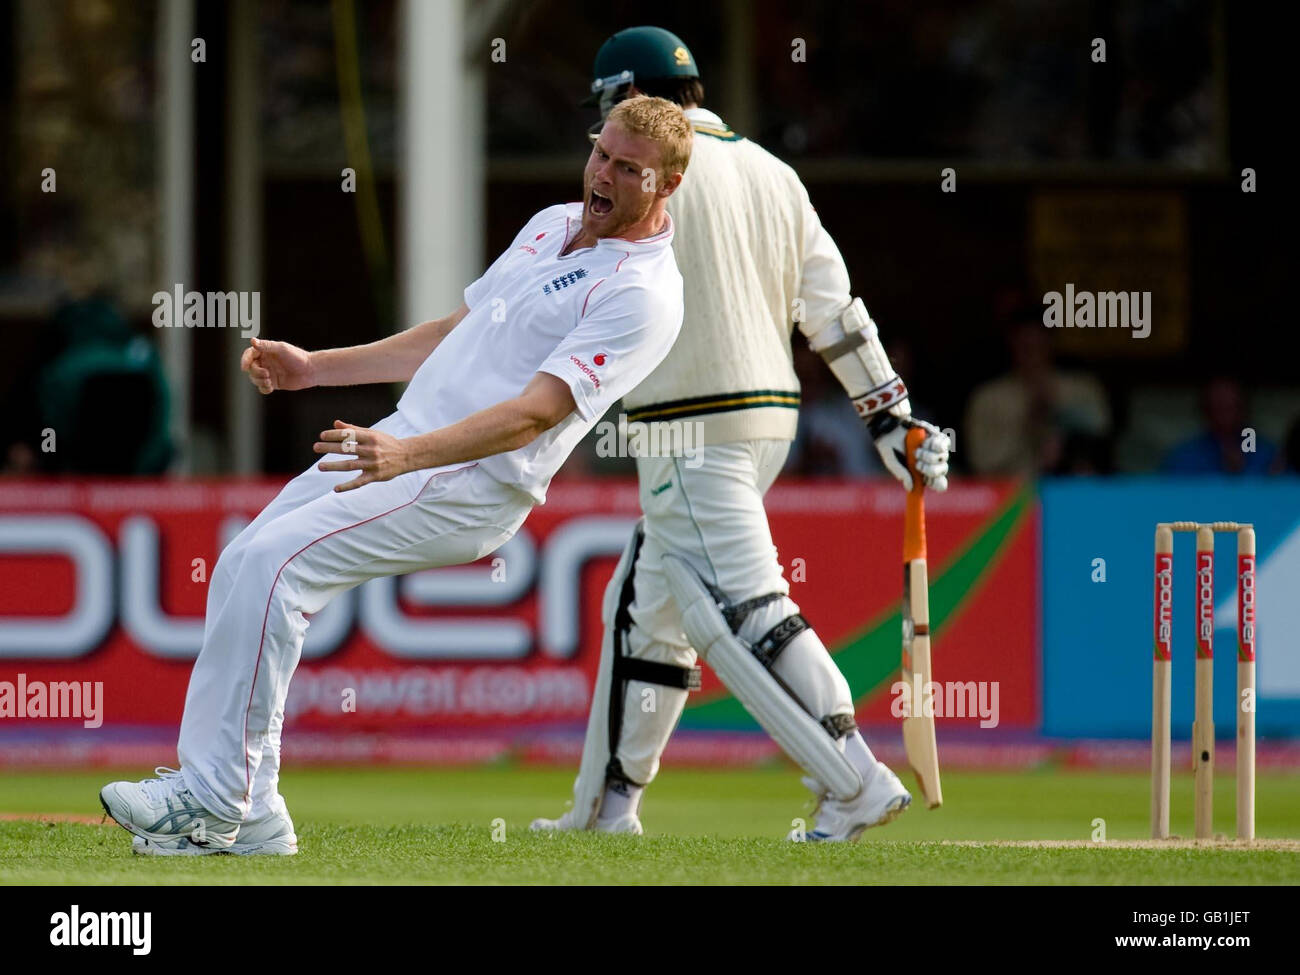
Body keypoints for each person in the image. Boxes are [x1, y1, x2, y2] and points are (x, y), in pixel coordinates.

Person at [98, 95, 693, 855]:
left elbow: (536, 414)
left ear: (666, 184)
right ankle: (252, 814)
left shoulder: (644, 294)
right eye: (601, 153)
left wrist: (409, 455)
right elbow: (452, 333)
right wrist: (315, 369)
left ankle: (216, 793)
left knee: (276, 571)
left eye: (628, 169)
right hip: (397, 443)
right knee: (244, 561)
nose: (603, 174)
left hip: (467, 481)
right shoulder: (550, 223)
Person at [531, 27, 950, 842]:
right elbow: (834, 310)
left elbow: (572, 282)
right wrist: (891, 420)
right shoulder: (772, 170)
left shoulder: (650, 179)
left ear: (631, 96)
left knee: (739, 608)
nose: (604, 150)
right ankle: (606, 810)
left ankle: (854, 778)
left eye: (610, 115)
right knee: (644, 605)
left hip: (690, 424)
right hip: (765, 424)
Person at [964, 314, 1111, 476]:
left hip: (1074, 490)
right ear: (1011, 345)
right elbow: (980, 462)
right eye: (1025, 347)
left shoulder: (1082, 388)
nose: (1033, 354)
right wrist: (1027, 426)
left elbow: (1102, 431)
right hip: (1010, 494)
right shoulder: (988, 398)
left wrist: (1059, 413)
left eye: (1039, 345)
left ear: (1051, 344)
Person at [1161, 375, 1279, 475]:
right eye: (1219, 408)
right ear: (1205, 410)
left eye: (1232, 407)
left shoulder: (1267, 454)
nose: (1225, 416)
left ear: (1244, 409)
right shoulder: (1184, 457)